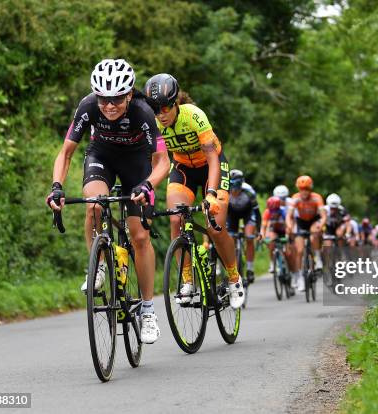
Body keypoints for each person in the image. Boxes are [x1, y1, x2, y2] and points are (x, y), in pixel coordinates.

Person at [47, 59, 169, 344]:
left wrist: (148, 184)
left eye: (116, 99)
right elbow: (65, 153)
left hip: (137, 164)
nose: (109, 105)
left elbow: (163, 161)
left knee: (139, 236)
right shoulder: (88, 106)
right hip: (101, 156)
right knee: (94, 204)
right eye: (104, 98)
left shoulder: (142, 112)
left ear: (128, 95)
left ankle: (148, 310)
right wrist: (56, 188)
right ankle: (99, 263)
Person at [143, 73, 245, 309]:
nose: (161, 114)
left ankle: (234, 278)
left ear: (176, 102)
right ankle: (187, 281)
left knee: (215, 226)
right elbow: (152, 161)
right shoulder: (153, 123)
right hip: (183, 168)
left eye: (166, 107)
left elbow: (212, 157)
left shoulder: (194, 116)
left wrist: (210, 193)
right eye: (155, 109)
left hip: (212, 166)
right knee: (175, 219)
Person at [286, 175, 326, 291]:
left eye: (306, 189)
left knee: (314, 233)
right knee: (299, 250)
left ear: (310, 189)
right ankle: (300, 278)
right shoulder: (295, 198)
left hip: (314, 220)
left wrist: (321, 225)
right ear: (299, 189)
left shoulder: (316, 198)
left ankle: (317, 258)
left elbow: (323, 216)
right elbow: (289, 216)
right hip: (301, 222)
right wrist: (289, 226)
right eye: (301, 189)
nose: (304, 192)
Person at [226, 169, 262, 284]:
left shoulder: (249, 192)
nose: (234, 191)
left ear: (241, 184)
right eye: (232, 187)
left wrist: (259, 230)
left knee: (249, 237)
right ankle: (234, 270)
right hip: (232, 214)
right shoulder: (225, 191)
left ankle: (250, 269)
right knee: (230, 240)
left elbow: (257, 213)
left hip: (248, 213)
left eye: (237, 187)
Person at [260, 196, 289, 274]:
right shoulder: (267, 212)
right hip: (274, 231)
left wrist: (288, 235)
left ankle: (288, 264)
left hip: (284, 230)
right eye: (272, 210)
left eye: (275, 210)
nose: (274, 212)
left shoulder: (283, 211)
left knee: (288, 250)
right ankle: (272, 262)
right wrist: (262, 236)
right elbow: (264, 227)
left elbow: (288, 225)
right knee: (271, 241)